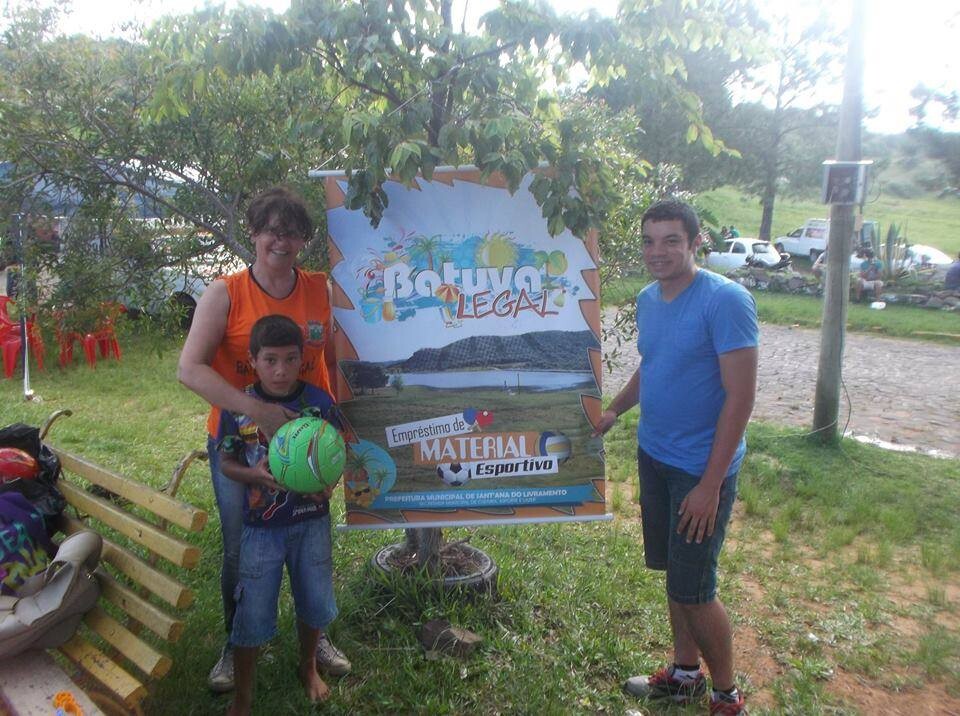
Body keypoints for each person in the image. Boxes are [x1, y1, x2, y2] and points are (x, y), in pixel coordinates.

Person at [177, 187, 350, 692]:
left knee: (310, 540)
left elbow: (334, 360)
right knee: (242, 547)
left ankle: (315, 638)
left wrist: (341, 431)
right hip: (244, 442)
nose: (282, 240)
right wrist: (257, 411)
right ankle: (236, 643)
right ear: (253, 233)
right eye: (272, 230)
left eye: (292, 232)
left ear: (303, 240)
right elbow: (189, 369)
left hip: (310, 445)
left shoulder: (320, 289)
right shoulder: (225, 293)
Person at [593, 200, 758, 715]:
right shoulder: (648, 299)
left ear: (695, 243)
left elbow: (741, 397)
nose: (657, 251)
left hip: (699, 469)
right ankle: (685, 674)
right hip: (655, 455)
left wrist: (709, 485)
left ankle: (726, 695)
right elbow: (654, 365)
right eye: (649, 240)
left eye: (671, 240)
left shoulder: (725, 301)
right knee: (675, 578)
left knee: (695, 589)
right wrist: (615, 410)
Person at [218, 315, 342, 714]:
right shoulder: (239, 407)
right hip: (260, 528)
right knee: (251, 611)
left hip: (311, 522)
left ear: (302, 359)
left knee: (315, 599)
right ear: (253, 359)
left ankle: (308, 666)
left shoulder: (319, 404)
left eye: (290, 359)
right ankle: (244, 695)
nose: (280, 370)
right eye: (270, 360)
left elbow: (335, 456)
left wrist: (329, 482)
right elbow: (226, 463)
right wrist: (253, 474)